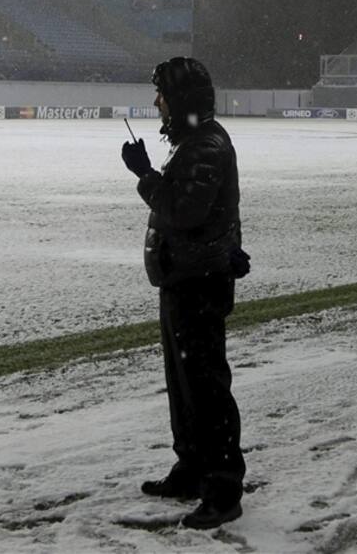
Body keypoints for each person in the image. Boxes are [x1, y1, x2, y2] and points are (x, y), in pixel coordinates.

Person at [121, 56, 247, 530]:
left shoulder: (205, 145)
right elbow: (214, 213)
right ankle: (192, 468)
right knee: (184, 386)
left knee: (205, 390)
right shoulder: (196, 141)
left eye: (163, 95)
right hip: (185, 279)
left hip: (198, 284)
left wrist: (144, 174)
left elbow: (185, 211)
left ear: (183, 100)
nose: (156, 103)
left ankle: (222, 487)